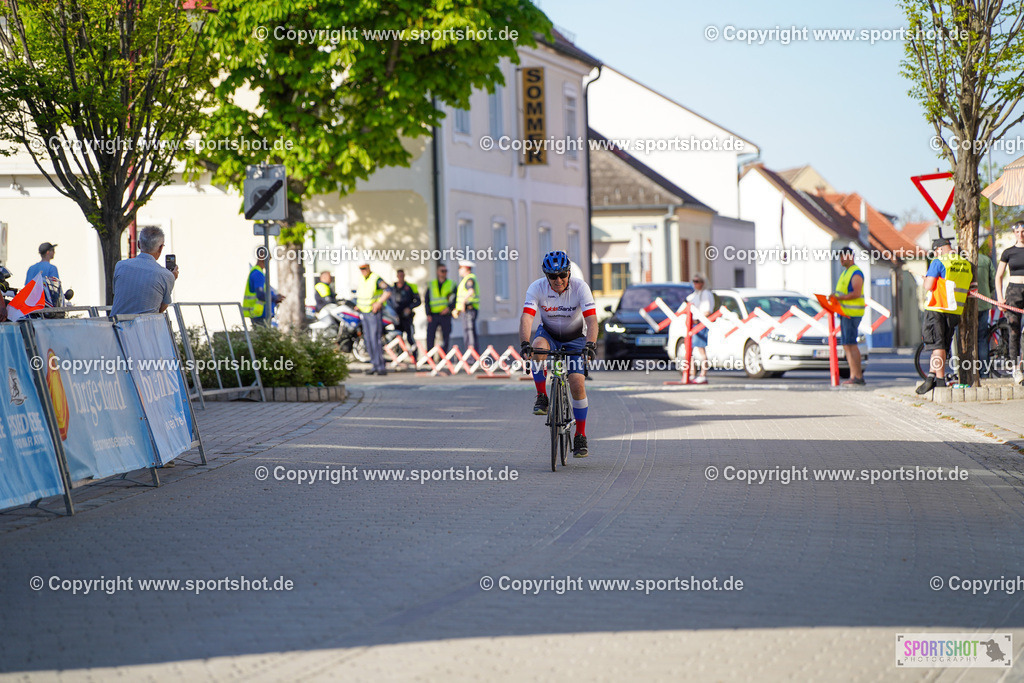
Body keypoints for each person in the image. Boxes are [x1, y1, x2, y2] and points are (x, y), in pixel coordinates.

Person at [520, 250, 598, 458]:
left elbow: (591, 321)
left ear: (569, 273)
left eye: (563, 275)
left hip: (576, 337)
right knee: (538, 348)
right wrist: (525, 343)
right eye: (553, 276)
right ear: (546, 276)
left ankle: (580, 435)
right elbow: (527, 318)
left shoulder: (581, 287)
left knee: (577, 383)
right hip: (549, 334)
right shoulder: (537, 287)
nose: (558, 280)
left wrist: (590, 344)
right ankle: (542, 396)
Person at [917, 237, 975, 394]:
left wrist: (925, 280)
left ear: (939, 249)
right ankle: (930, 377)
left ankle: (940, 381)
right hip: (955, 311)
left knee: (937, 346)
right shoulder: (965, 263)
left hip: (938, 308)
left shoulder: (939, 261)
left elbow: (929, 286)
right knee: (942, 345)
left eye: (935, 252)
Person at [110, 227, 178, 316]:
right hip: (145, 327)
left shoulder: (120, 265)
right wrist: (172, 278)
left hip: (117, 327)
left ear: (138, 244)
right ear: (160, 248)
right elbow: (161, 309)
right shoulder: (166, 275)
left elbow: (117, 293)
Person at [830, 246, 866, 386]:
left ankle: (857, 376)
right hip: (845, 314)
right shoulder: (846, 272)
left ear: (850, 256)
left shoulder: (855, 273)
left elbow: (856, 293)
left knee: (851, 344)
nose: (841, 259)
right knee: (847, 345)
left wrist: (839, 299)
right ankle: (854, 376)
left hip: (852, 314)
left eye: (843, 256)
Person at [996, 221, 1024, 384]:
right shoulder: (1008, 252)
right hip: (1013, 291)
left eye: (1023, 231)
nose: (1021, 234)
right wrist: (1000, 297)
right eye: (1018, 231)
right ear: (1014, 233)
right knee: (1014, 330)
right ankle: (1015, 369)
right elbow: (998, 276)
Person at [356, 262, 392, 375]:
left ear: (369, 268)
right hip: (364, 313)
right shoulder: (362, 279)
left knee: (374, 339)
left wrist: (379, 303)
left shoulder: (376, 279)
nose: (363, 271)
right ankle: (374, 365)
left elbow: (388, 290)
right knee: (368, 340)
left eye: (364, 268)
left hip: (373, 313)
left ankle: (381, 366)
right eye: (361, 269)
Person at [685, 273, 714, 384]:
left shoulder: (706, 294)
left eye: (697, 281)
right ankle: (692, 373)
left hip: (701, 324)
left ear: (702, 283)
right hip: (692, 324)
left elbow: (708, 311)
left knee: (701, 349)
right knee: (689, 350)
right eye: (694, 281)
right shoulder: (695, 295)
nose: (695, 284)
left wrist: (698, 320)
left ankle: (703, 374)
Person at [243, 253, 284, 326]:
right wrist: (275, 298)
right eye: (268, 260)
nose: (268, 263)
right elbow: (260, 295)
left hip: (260, 313)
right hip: (259, 313)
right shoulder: (258, 274)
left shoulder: (258, 272)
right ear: (261, 257)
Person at [424, 264, 456, 354]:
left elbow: (455, 299)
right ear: (438, 272)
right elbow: (427, 300)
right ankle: (430, 357)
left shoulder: (451, 284)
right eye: (442, 271)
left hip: (445, 315)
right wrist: (428, 314)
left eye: (446, 271)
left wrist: (449, 309)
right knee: (430, 336)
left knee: (445, 337)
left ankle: (443, 357)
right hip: (433, 315)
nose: (444, 273)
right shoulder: (432, 284)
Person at [392, 268, 421, 360]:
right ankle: (398, 358)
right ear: (397, 276)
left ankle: (415, 358)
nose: (401, 277)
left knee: (410, 338)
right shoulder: (393, 288)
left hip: (407, 318)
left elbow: (418, 301)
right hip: (396, 318)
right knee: (398, 338)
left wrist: (410, 308)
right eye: (399, 276)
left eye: (402, 276)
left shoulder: (410, 287)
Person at [976, 249, 996, 378]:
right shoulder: (985, 260)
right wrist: (989, 295)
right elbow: (992, 281)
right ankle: (984, 373)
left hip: (965, 306)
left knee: (965, 340)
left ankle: (968, 371)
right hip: (983, 304)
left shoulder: (961, 261)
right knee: (982, 340)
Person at [454, 260, 479, 353]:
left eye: (460, 268)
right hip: (467, 310)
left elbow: (470, 291)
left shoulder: (469, 279)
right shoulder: (466, 279)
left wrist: (463, 303)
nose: (459, 270)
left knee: (469, 333)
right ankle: (471, 356)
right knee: (468, 333)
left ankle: (472, 356)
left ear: (466, 269)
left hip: (469, 310)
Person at [25, 242, 61, 307]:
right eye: (52, 250)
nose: (54, 252)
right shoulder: (52, 268)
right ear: (47, 252)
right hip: (46, 306)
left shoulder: (31, 268)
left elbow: (27, 287)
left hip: (31, 305)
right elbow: (55, 289)